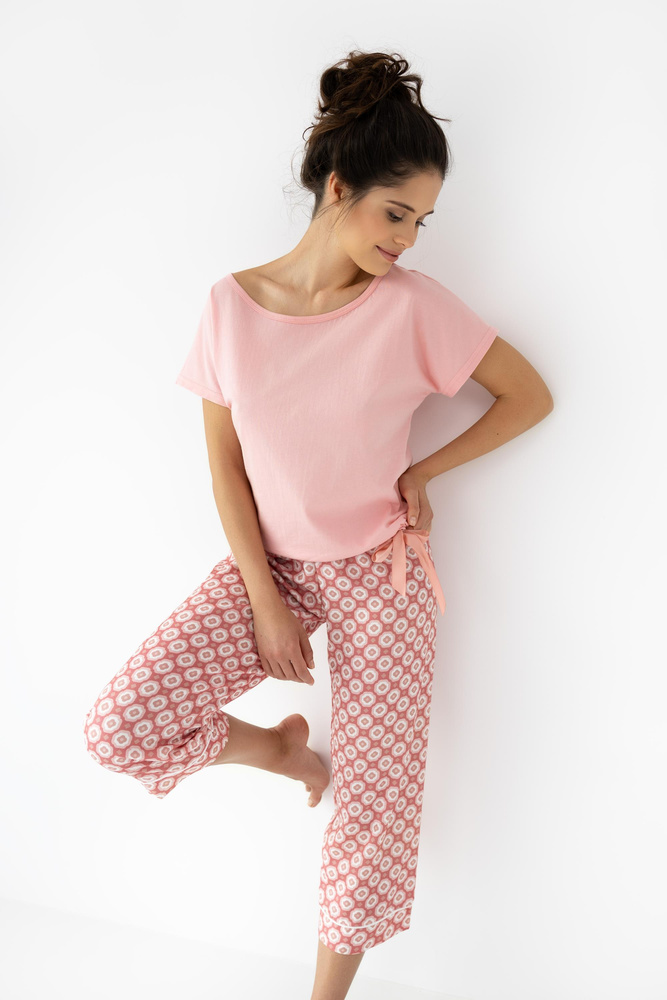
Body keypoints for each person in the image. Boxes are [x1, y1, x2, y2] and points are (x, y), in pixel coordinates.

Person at [82, 49, 553, 1000]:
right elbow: (224, 466)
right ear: (338, 187)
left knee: (375, 807)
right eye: (395, 213)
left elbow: (527, 395)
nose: (407, 240)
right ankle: (278, 750)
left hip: (384, 570)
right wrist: (264, 599)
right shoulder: (230, 307)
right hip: (275, 568)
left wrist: (423, 470)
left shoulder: (412, 307)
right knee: (120, 725)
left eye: (420, 222)